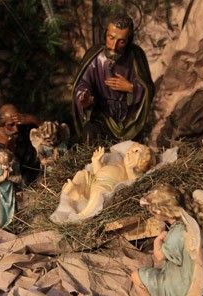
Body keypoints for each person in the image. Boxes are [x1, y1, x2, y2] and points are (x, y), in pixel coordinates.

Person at [72, 13, 154, 142]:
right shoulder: (95, 56)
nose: (113, 46)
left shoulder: (136, 56)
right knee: (90, 135)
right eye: (111, 38)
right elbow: (82, 83)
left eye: (121, 41)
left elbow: (149, 88)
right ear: (106, 33)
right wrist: (83, 97)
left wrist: (131, 88)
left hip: (129, 120)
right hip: (102, 116)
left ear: (129, 40)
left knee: (133, 149)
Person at [61, 142, 154, 219]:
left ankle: (83, 215)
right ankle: (76, 188)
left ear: (143, 161)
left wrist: (130, 168)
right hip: (94, 180)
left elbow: (133, 183)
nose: (129, 152)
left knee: (98, 192)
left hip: (106, 185)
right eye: (130, 150)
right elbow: (99, 172)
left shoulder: (133, 172)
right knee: (82, 174)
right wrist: (96, 161)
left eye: (136, 151)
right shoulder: (119, 163)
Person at [0, 104, 42, 184]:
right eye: (11, 125)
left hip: (28, 170)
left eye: (17, 124)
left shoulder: (22, 129)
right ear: (2, 124)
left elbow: (41, 126)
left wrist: (28, 119)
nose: (16, 129)